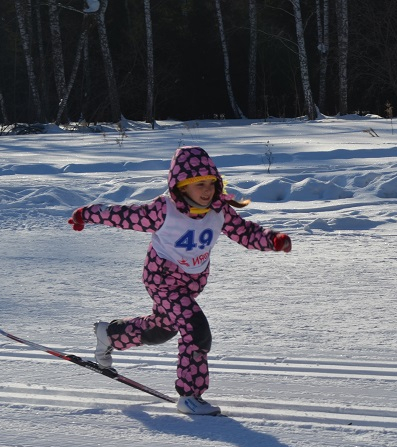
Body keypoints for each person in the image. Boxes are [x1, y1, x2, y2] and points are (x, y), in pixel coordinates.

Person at [67, 146, 292, 415]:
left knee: (161, 329)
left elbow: (246, 232)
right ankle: (189, 396)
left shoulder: (219, 211)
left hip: (191, 284)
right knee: (195, 328)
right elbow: (122, 215)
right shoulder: (164, 211)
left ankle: (110, 335)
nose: (207, 190)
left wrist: (272, 240)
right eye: (199, 184)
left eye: (211, 183)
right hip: (161, 280)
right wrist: (86, 214)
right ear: (181, 186)